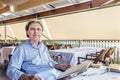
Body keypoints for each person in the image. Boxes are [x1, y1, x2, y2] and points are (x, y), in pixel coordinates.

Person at [6, 20, 71, 80]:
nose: (36, 32)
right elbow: (11, 70)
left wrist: (59, 66)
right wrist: (27, 77)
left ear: (41, 32)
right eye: (32, 29)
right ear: (27, 32)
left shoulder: (43, 47)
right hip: (39, 77)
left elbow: (49, 61)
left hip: (54, 74)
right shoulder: (21, 49)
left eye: (38, 29)